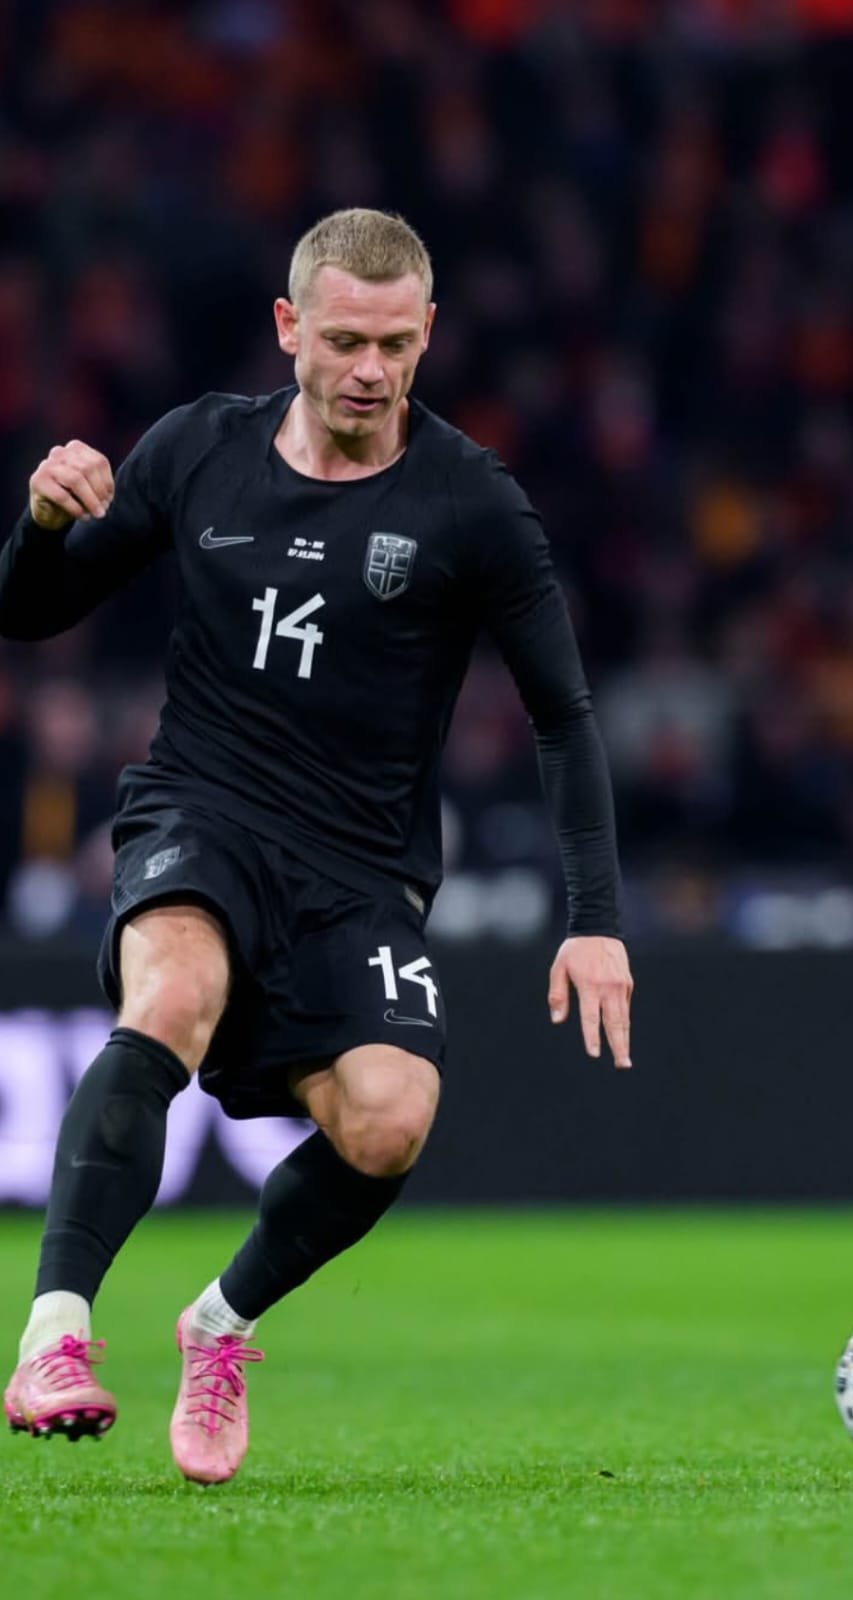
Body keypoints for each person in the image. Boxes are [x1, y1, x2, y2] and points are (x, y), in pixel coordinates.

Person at [0, 209, 633, 1485]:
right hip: (200, 809)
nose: (369, 370)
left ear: (428, 334)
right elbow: (29, 611)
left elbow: (563, 712)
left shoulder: (470, 502)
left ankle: (218, 1326)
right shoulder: (198, 449)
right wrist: (46, 526)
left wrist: (596, 918)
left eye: (395, 344)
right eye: (344, 340)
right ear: (290, 328)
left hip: (361, 872)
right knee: (170, 994)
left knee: (389, 1122)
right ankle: (54, 1332)